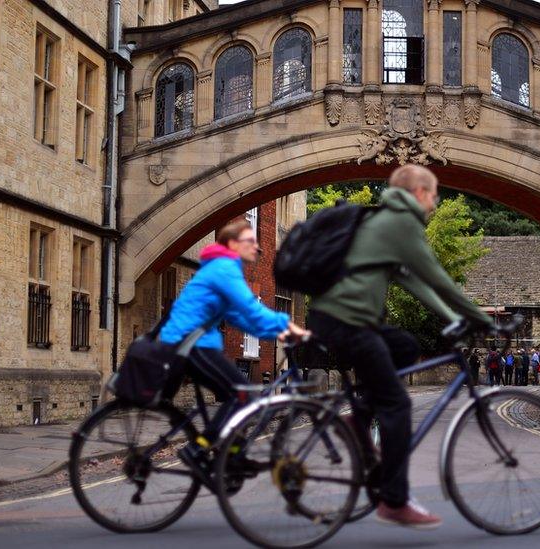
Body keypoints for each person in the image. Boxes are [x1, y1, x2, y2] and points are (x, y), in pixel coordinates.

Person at [308, 164, 493, 529]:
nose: (437, 204)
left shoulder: (381, 221)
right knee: (397, 405)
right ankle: (393, 500)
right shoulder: (401, 223)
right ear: (420, 193)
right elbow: (438, 278)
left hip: (336, 319)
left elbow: (411, 281)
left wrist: (450, 318)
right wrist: (481, 319)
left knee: (405, 347)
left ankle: (357, 417)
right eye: (435, 194)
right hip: (350, 323)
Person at [158, 220, 308, 477]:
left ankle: (234, 454)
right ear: (232, 244)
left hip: (193, 343)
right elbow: (251, 309)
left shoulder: (222, 268)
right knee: (242, 395)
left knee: (242, 397)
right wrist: (290, 325)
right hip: (191, 345)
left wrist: (277, 332)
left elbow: (239, 318)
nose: (257, 247)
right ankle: (199, 448)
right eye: (250, 241)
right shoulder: (224, 269)